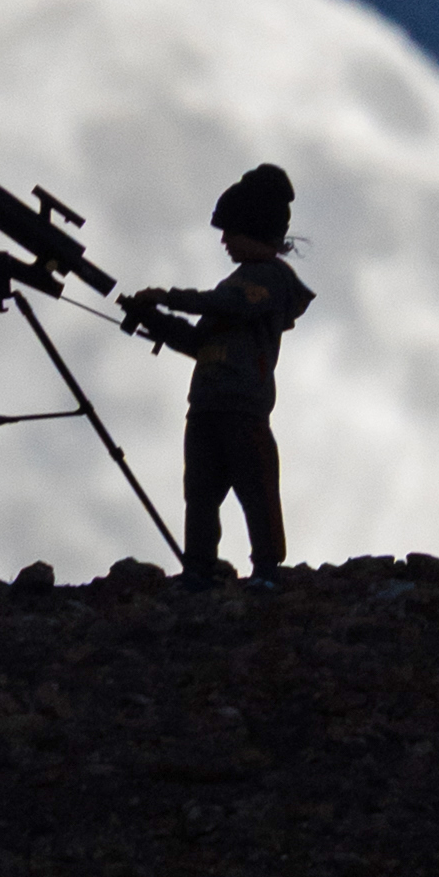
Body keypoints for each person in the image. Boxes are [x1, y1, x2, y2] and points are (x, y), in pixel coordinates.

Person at [125, 164, 314, 593]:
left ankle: (265, 569)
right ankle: (199, 568)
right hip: (207, 407)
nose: (224, 240)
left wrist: (168, 298)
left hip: (242, 407)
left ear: (253, 228)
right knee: (201, 494)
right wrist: (154, 320)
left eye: (230, 230)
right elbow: (199, 342)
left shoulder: (268, 281)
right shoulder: (238, 284)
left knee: (255, 491)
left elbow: (229, 304)